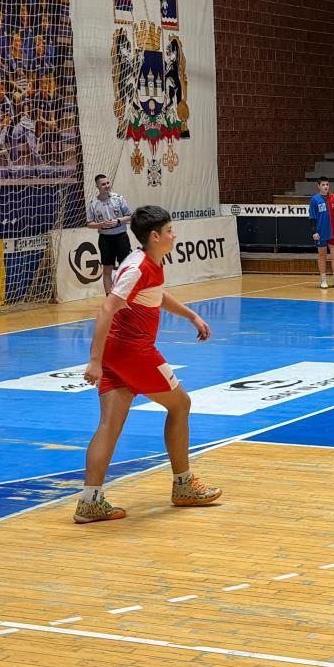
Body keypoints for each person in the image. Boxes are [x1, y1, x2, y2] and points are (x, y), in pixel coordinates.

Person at [76, 205, 221, 524]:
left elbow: (157, 295)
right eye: (169, 231)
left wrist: (192, 316)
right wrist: (94, 361)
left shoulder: (147, 263)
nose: (174, 235)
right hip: (133, 351)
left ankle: (89, 502)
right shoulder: (138, 267)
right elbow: (106, 310)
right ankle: (183, 485)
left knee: (109, 425)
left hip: (117, 353)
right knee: (181, 404)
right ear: (155, 236)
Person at [86, 173, 133, 294]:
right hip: (105, 239)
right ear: (97, 186)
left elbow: (130, 216)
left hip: (121, 237)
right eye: (103, 184)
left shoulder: (118, 198)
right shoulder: (93, 203)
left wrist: (118, 221)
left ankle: (125, 295)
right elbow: (89, 223)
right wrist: (100, 224)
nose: (107, 186)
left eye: (107, 183)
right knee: (107, 269)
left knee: (124, 268)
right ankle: (109, 297)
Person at [308, 175, 334, 289]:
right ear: (319, 186)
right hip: (321, 232)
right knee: (322, 255)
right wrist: (314, 231)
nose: (325, 187)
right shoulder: (315, 199)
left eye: (327, 184)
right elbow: (312, 217)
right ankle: (323, 280)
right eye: (323, 185)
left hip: (333, 231)